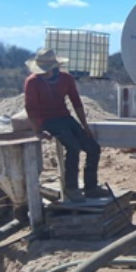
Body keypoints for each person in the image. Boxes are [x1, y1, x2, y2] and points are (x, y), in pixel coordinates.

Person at [24, 48, 105, 203]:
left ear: (55, 67)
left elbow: (76, 102)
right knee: (73, 148)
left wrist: (85, 126)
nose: (44, 73)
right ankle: (71, 188)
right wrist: (38, 131)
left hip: (64, 117)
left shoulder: (66, 79)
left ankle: (91, 186)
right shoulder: (32, 82)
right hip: (47, 119)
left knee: (93, 148)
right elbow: (31, 108)